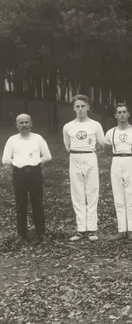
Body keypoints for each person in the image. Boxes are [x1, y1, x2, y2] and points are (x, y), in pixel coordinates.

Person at [2, 114, 52, 244]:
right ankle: (21, 235)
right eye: (21, 123)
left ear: (31, 123)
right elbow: (5, 160)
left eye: (26, 122)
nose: (24, 125)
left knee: (37, 202)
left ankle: (41, 234)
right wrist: (18, 162)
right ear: (17, 125)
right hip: (19, 174)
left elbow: (47, 156)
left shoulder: (38, 138)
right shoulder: (12, 140)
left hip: (35, 173)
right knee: (20, 203)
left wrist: (35, 161)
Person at [63, 94, 105, 241]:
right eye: (77, 106)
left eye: (82, 106)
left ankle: (92, 229)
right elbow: (67, 146)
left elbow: (103, 143)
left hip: (90, 157)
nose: (80, 109)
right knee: (77, 193)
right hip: (74, 158)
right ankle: (81, 229)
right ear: (74, 108)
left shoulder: (95, 125)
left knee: (92, 191)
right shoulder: (68, 126)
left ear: (88, 107)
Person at [104, 103, 132, 241]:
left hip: (131, 162)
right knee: (118, 197)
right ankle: (121, 230)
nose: (122, 115)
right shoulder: (111, 132)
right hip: (116, 163)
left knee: (131, 196)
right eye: (119, 112)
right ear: (115, 115)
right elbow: (106, 150)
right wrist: (119, 156)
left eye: (124, 112)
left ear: (128, 114)